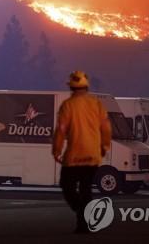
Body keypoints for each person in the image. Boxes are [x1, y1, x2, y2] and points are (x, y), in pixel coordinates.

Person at [52, 71, 112, 233]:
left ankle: (81, 212)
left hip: (74, 156)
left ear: (71, 87)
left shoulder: (68, 105)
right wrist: (105, 147)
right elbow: (106, 128)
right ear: (86, 86)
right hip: (92, 156)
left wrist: (56, 150)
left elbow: (61, 130)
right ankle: (84, 222)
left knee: (67, 186)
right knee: (86, 189)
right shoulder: (96, 104)